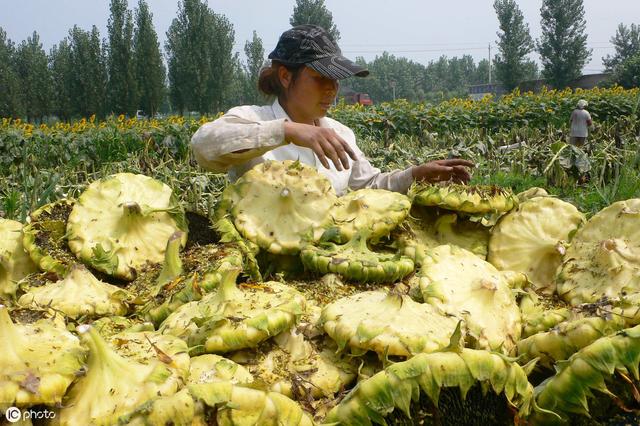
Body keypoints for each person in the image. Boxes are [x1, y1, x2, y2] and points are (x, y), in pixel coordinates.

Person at [190, 24, 473, 195]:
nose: (332, 89)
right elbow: (203, 147)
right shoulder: (253, 120)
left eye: (335, 80)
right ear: (286, 77)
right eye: (320, 78)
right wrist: (287, 131)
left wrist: (414, 175)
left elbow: (369, 186)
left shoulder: (340, 133)